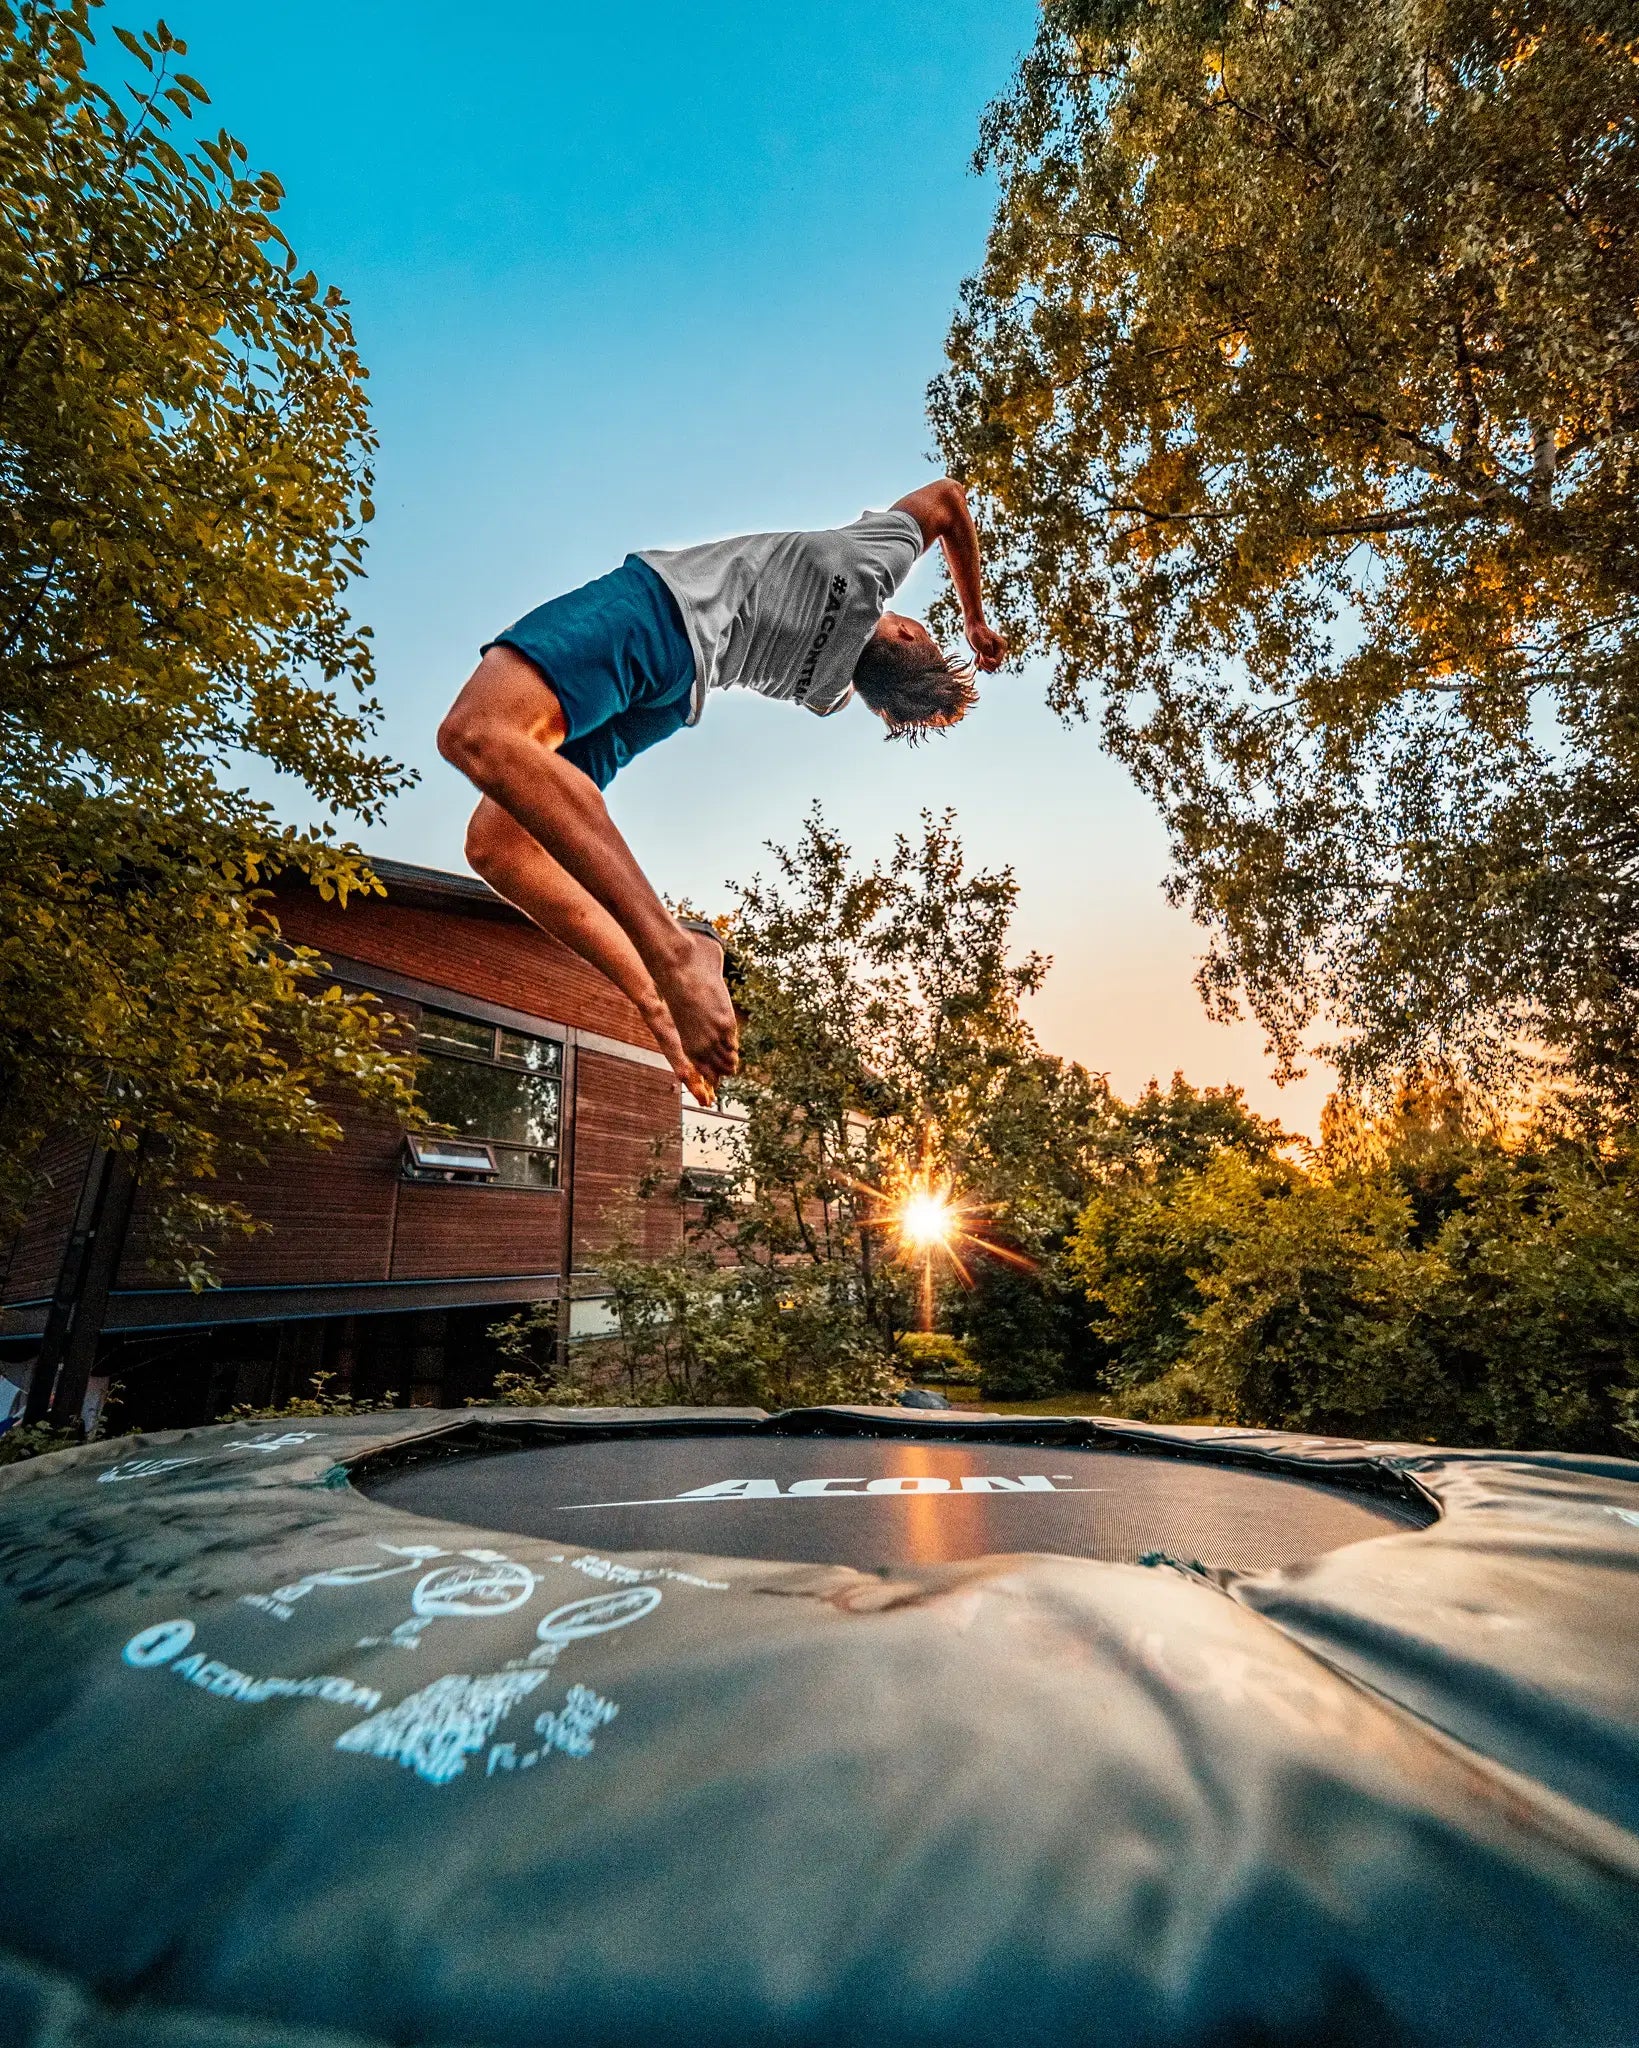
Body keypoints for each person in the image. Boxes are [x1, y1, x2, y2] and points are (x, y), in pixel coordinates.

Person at [437, 478, 1008, 1103]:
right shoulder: (826, 695)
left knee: (481, 731)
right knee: (498, 844)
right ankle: (654, 998)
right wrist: (920, 691)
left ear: (902, 634)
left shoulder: (871, 568)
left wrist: (974, 619)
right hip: (676, 695)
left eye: (918, 627)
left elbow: (948, 501)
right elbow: (870, 678)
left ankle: (674, 953)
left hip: (655, 614)